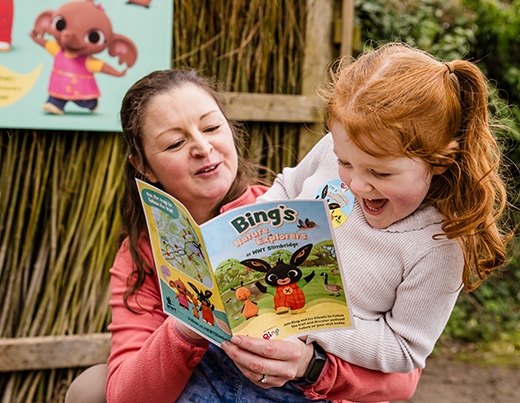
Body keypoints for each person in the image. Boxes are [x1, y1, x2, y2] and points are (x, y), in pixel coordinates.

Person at [66, 68, 423, 403]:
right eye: (175, 143)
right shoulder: (143, 254)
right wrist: (188, 326)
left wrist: (310, 365)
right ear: (143, 166)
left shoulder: (291, 216)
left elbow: (404, 378)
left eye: (211, 128)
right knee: (91, 387)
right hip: (204, 387)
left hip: (301, 388)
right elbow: (127, 396)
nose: (203, 148)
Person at [251, 41, 511, 376]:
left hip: (312, 387)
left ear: (440, 161)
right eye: (345, 163)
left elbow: (404, 348)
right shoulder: (340, 148)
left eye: (380, 172)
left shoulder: (439, 245)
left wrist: (312, 321)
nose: (356, 184)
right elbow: (288, 188)